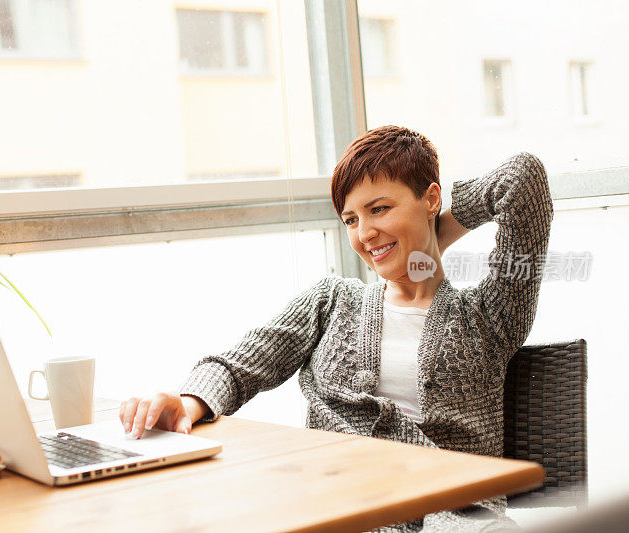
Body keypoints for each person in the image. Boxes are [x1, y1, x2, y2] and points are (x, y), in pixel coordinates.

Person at [118, 125, 553, 532]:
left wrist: (437, 233)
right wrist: (190, 402)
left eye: (379, 209)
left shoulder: (490, 316)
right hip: (330, 506)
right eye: (350, 220)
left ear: (431, 197)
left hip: (448, 518)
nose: (365, 233)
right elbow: (238, 367)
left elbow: (524, 179)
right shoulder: (330, 301)